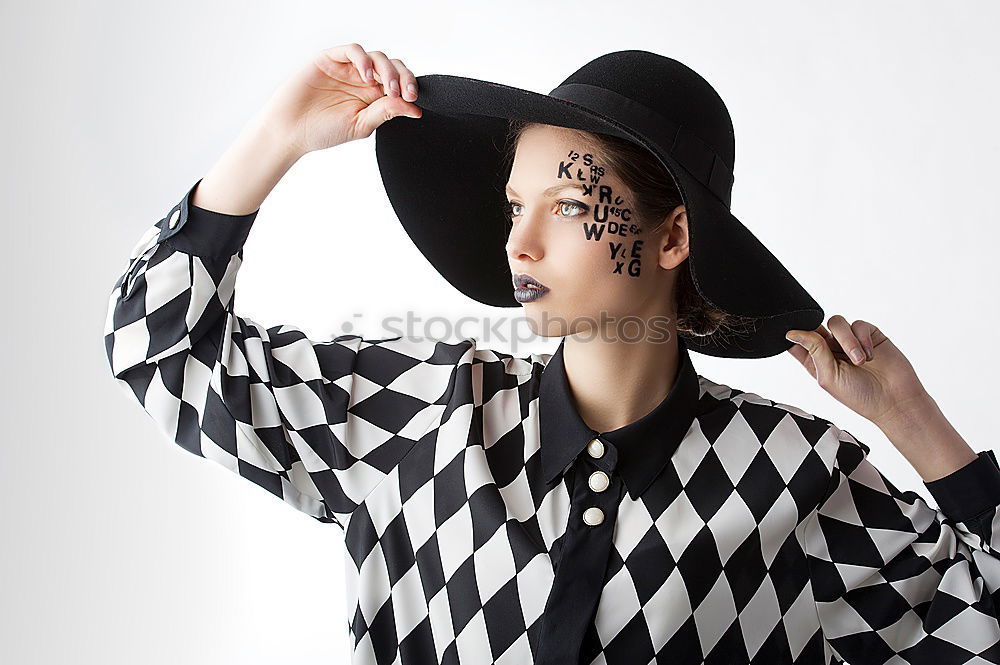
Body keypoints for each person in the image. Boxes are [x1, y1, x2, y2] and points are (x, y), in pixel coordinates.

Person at [104, 43, 1000, 664]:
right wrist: (278, 137)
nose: (518, 244)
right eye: (511, 205)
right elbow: (162, 349)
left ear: (674, 235)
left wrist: (915, 423)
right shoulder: (420, 412)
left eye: (568, 205)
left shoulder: (795, 473)